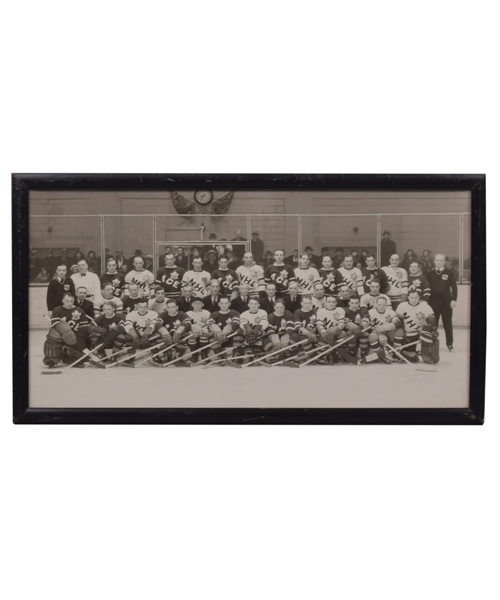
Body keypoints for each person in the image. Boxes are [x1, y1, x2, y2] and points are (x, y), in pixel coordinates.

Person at [43, 292, 94, 368]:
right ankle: (51, 359)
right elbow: (55, 323)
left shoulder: (79, 310)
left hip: (75, 336)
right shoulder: (57, 309)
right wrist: (67, 333)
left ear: (74, 300)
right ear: (62, 301)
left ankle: (67, 357)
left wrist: (80, 339)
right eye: (67, 301)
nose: (69, 303)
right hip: (61, 334)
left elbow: (83, 326)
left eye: (71, 301)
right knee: (53, 335)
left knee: (81, 356)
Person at [395, 288, 438, 362]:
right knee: (412, 357)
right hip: (409, 335)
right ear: (408, 297)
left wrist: (426, 328)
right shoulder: (402, 306)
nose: (414, 300)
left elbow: (433, 322)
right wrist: (403, 334)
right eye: (411, 297)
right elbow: (398, 322)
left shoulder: (425, 306)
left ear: (419, 297)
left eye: (416, 297)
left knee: (429, 358)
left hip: (421, 333)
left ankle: (427, 353)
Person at [427, 253, 458, 351]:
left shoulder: (449, 273)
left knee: (447, 323)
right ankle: (431, 342)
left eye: (441, 260)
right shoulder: (430, 273)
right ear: (434, 261)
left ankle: (449, 343)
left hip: (446, 303)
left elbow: (454, 287)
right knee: (433, 324)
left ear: (444, 262)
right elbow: (426, 288)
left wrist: (454, 299)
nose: (439, 262)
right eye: (437, 260)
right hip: (433, 303)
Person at [362, 295, 403, 363]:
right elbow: (364, 323)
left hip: (388, 334)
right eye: (380, 304)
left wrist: (382, 328)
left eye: (384, 305)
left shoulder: (390, 312)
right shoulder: (371, 312)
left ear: (386, 305)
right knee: (372, 336)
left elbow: (398, 323)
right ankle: (381, 355)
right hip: (377, 335)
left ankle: (396, 352)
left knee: (400, 331)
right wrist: (367, 326)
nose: (381, 306)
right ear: (376, 304)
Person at [153, 299, 193, 366]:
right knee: (158, 336)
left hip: (178, 336)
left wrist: (179, 331)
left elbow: (188, 324)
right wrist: (164, 332)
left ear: (177, 307)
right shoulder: (163, 314)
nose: (171, 309)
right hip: (167, 336)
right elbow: (157, 324)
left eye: (173, 307)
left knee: (185, 336)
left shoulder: (182, 314)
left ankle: (177, 355)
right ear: (166, 308)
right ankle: (166, 354)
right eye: (168, 307)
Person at [261, 298, 296, 363]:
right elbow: (270, 329)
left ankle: (283, 354)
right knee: (266, 341)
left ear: (284, 307)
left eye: (281, 307)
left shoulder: (288, 314)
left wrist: (286, 336)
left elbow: (290, 327)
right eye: (277, 307)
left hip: (285, 334)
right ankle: (280, 356)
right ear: (274, 307)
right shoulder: (271, 316)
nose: (279, 310)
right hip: (275, 334)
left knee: (294, 337)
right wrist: (275, 340)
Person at [316, 295, 349, 362]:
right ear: (325, 303)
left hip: (337, 331)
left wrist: (335, 330)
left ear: (336, 303)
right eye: (329, 302)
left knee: (343, 334)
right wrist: (323, 332)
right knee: (323, 337)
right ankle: (323, 356)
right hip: (326, 332)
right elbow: (319, 325)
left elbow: (342, 324)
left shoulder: (340, 310)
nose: (331, 303)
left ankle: (340, 354)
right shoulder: (320, 311)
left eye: (333, 302)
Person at [237, 297, 269, 362]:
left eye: (255, 304)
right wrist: (248, 329)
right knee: (246, 336)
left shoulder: (262, 312)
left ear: (259, 305)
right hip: (249, 331)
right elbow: (242, 323)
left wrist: (257, 330)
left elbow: (265, 322)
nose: (253, 305)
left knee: (261, 337)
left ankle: (258, 353)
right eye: (251, 304)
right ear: (248, 305)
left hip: (259, 331)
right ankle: (245, 354)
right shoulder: (244, 313)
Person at [186, 297, 212, 362]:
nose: (197, 305)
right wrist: (195, 328)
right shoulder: (188, 313)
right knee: (191, 334)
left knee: (205, 332)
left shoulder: (207, 312)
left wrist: (201, 329)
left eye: (199, 303)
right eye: (195, 303)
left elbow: (209, 324)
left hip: (203, 330)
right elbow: (187, 325)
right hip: (193, 331)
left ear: (203, 305)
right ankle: (194, 354)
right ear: (192, 304)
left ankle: (204, 354)